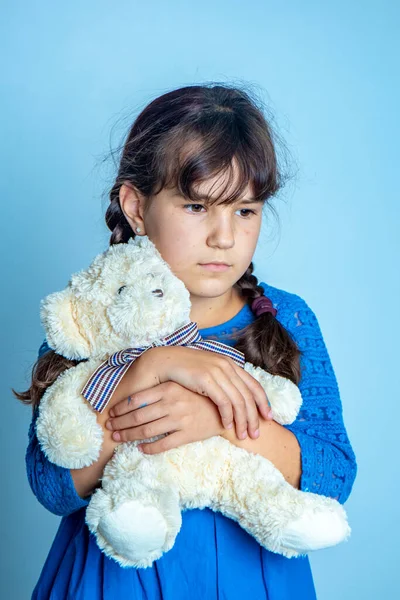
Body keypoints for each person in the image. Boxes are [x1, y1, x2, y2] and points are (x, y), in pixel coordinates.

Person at [14, 83, 357, 599]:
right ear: (135, 206)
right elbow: (52, 485)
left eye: (245, 210)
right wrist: (147, 369)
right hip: (115, 582)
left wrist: (217, 421)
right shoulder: (90, 318)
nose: (224, 236)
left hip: (253, 584)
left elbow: (332, 475)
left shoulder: (290, 317)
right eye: (197, 207)